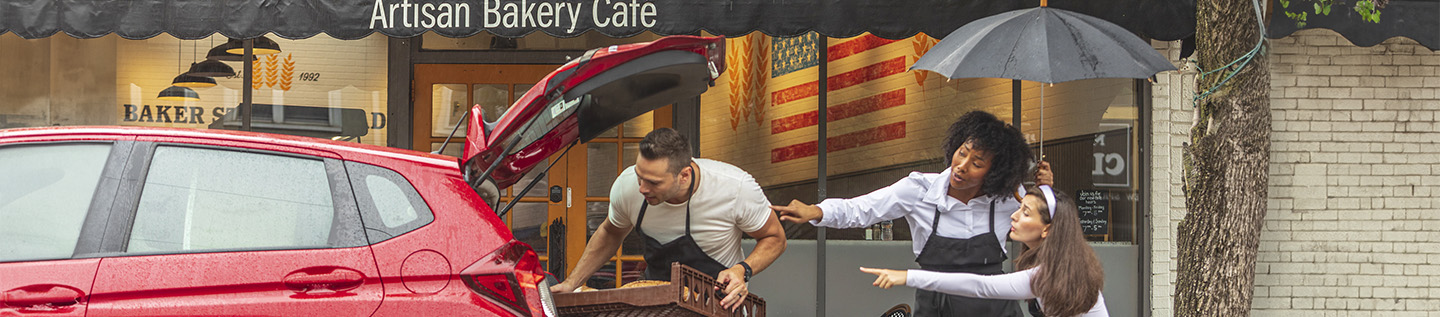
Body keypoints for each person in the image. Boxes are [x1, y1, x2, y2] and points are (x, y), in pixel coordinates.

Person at [773, 110, 1049, 317]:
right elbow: (862, 208)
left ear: (996, 172)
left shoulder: (1008, 198)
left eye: (976, 163)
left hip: (993, 303)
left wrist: (1045, 192)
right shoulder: (919, 190)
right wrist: (817, 211)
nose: (961, 166)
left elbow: (1046, 233)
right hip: (936, 302)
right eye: (961, 153)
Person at [549, 128, 787, 311]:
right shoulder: (628, 186)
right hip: (655, 305)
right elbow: (611, 232)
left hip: (718, 305)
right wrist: (572, 283)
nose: (642, 188)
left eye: (653, 182)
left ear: (684, 175)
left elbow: (775, 237)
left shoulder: (735, 188)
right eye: (639, 175)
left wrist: (741, 270)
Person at [860, 185, 1108, 317]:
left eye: (1025, 213)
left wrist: (907, 276)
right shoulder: (1063, 265)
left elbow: (981, 286)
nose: (1014, 215)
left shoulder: (1045, 276)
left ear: (1046, 230)